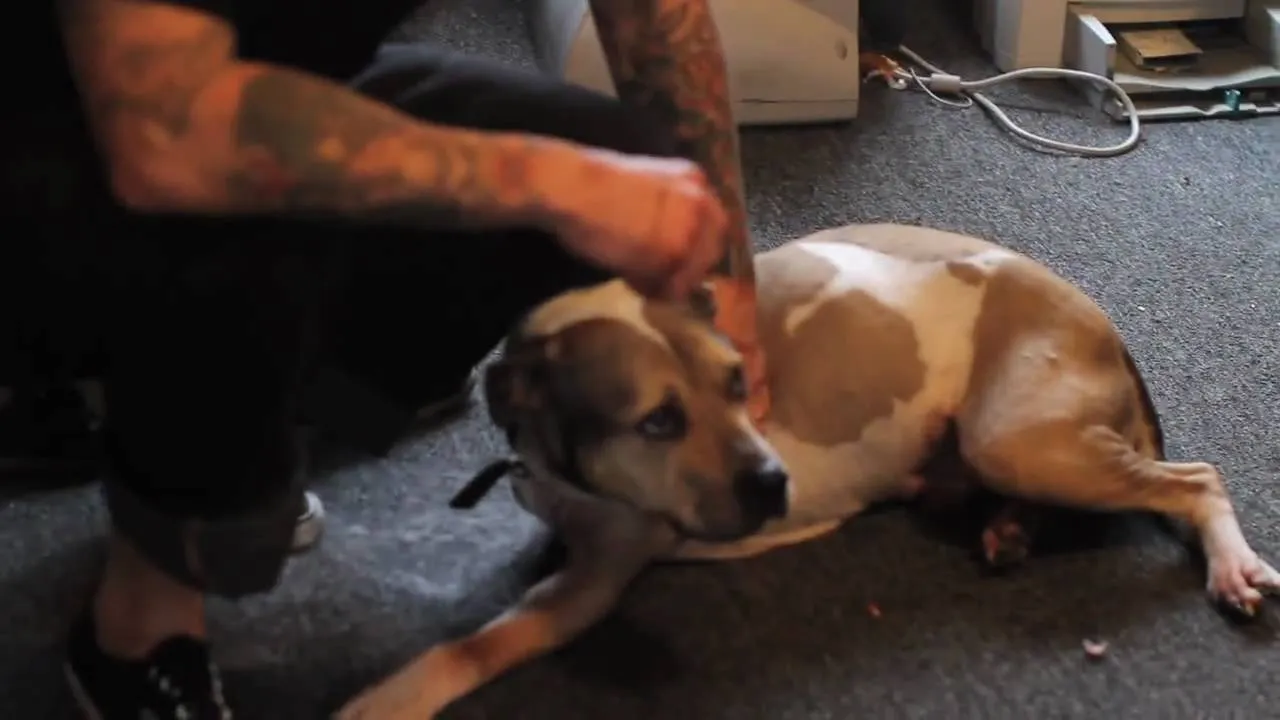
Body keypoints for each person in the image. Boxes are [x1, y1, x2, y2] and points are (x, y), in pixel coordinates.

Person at [2, 0, 768, 717]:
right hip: (84, 133)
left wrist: (721, 279)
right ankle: (141, 625)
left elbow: (655, 17)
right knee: (244, 212)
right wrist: (559, 187)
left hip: (220, 83)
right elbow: (166, 137)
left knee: (627, 157)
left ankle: (207, 415)